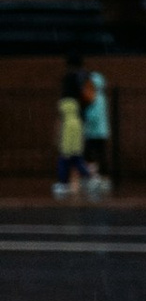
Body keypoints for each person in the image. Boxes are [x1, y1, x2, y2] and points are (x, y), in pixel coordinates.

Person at [79, 66, 113, 200]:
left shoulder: (93, 97)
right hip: (102, 132)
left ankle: (95, 177)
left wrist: (85, 119)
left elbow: (93, 116)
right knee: (101, 154)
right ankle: (103, 178)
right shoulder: (102, 97)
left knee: (89, 155)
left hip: (93, 132)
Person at [52, 67, 83, 202]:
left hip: (67, 129)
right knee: (75, 156)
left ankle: (63, 182)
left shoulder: (63, 101)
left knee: (64, 157)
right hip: (77, 127)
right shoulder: (76, 101)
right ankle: (91, 177)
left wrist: (56, 134)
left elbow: (60, 119)